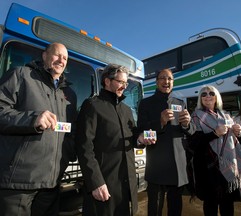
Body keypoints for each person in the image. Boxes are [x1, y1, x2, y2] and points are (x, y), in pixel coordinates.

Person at [0, 42, 77, 216]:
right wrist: (32, 119)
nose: (61, 60)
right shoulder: (21, 75)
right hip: (19, 184)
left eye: (65, 58)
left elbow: (70, 131)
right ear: (44, 56)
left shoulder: (69, 94)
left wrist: (68, 154)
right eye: (57, 55)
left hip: (51, 183)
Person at [75, 63, 153, 216]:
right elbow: (84, 147)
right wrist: (96, 182)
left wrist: (140, 139)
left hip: (127, 185)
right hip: (105, 185)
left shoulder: (127, 110)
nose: (124, 87)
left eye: (126, 83)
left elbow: (131, 140)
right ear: (107, 81)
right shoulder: (92, 105)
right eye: (120, 82)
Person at [137, 68, 195, 216]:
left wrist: (187, 124)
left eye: (169, 79)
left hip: (177, 164)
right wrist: (160, 123)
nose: (166, 82)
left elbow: (190, 131)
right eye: (162, 78)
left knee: (175, 208)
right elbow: (142, 131)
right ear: (157, 82)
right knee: (155, 208)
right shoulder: (146, 103)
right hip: (157, 164)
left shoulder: (180, 103)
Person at [188, 85, 241, 216]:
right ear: (200, 99)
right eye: (204, 94)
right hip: (207, 167)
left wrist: (238, 133)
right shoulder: (195, 116)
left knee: (227, 205)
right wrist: (215, 133)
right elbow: (194, 143)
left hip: (228, 164)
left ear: (216, 96)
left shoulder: (226, 115)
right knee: (210, 205)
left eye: (211, 93)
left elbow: (236, 142)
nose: (208, 96)